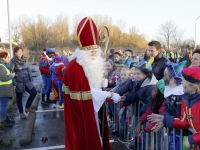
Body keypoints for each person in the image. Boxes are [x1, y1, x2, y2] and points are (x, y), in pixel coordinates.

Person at [62, 17, 121, 150]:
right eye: (91, 51)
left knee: (97, 136)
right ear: (83, 51)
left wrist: (101, 82)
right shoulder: (75, 68)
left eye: (96, 50)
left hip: (93, 110)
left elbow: (90, 85)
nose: (94, 53)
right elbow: (87, 95)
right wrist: (110, 94)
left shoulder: (89, 63)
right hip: (81, 115)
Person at [147, 67, 200, 149]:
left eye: (185, 87)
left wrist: (192, 139)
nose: (182, 89)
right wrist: (164, 119)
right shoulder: (186, 99)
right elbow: (184, 121)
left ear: (194, 88)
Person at [10, 46, 37, 119]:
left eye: (21, 52)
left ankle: (27, 107)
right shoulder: (12, 61)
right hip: (18, 82)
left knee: (34, 92)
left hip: (27, 81)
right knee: (19, 97)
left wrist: (31, 79)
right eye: (18, 52)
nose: (20, 53)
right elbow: (11, 72)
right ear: (15, 52)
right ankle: (21, 112)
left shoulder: (25, 59)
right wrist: (14, 83)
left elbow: (28, 70)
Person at [0, 51, 16, 129]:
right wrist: (11, 76)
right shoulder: (1, 66)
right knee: (3, 105)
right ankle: (3, 121)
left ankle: (6, 119)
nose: (9, 59)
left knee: (4, 105)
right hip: (3, 90)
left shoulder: (4, 65)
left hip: (5, 89)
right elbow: (3, 78)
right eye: (7, 57)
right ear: (3, 58)